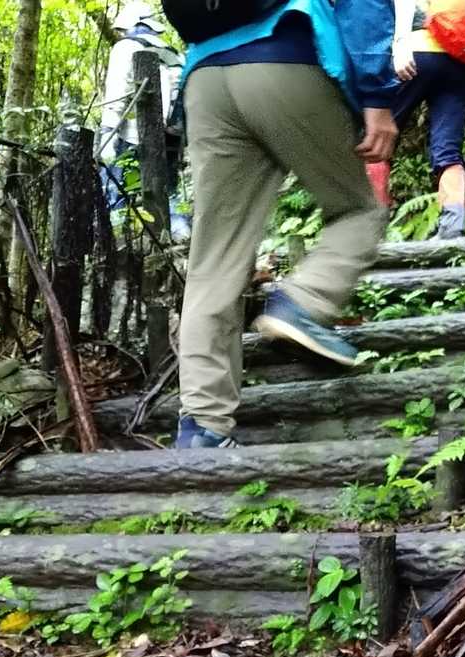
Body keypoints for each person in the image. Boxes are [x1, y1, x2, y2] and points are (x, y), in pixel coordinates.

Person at [169, 0, 398, 450]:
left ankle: (203, 426)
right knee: (359, 210)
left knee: (214, 257)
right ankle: (302, 303)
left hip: (205, 75)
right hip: (286, 51)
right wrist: (377, 96)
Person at [366, 0, 465, 239]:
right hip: (463, 61)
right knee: (448, 149)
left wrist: (400, 45)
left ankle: (368, 230)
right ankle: (453, 227)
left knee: (377, 142)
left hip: (418, 52)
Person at [97, 3, 191, 241]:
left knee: (115, 193)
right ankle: (177, 239)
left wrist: (107, 135)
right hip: (171, 137)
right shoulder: (173, 54)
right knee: (166, 193)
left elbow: (117, 95)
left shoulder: (125, 48)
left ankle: (119, 244)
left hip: (131, 136)